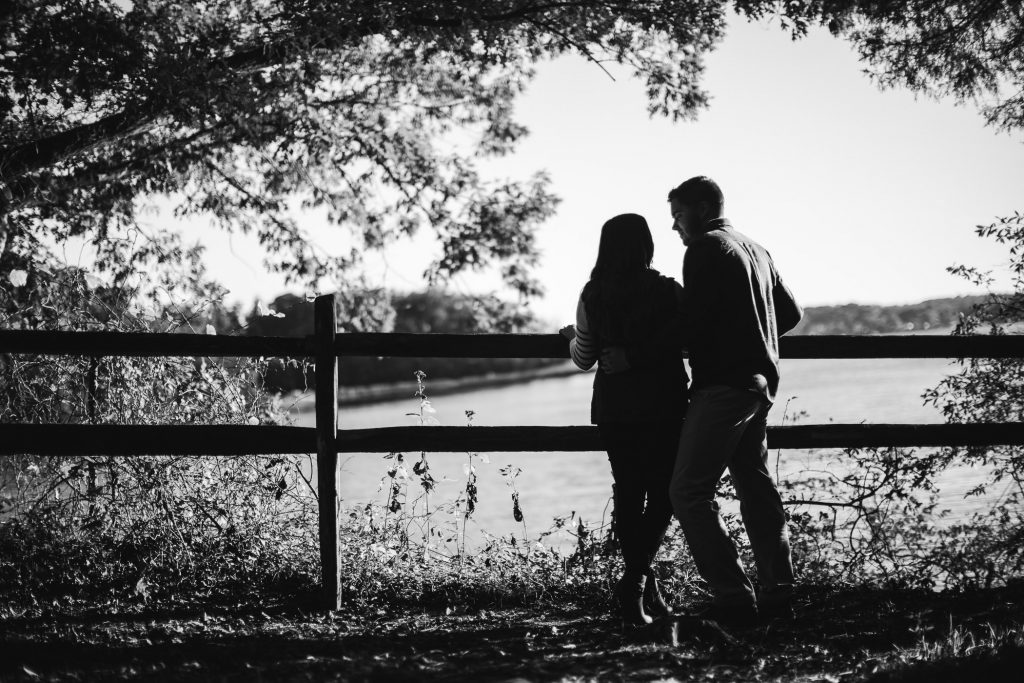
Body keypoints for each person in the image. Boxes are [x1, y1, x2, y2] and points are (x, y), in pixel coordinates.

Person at [664, 175, 802, 625]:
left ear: (702, 209)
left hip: (722, 386)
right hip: (759, 386)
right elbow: (791, 313)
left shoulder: (704, 248)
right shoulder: (755, 248)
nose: (675, 227)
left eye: (679, 216)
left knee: (688, 491)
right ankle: (779, 591)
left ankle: (734, 597)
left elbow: (695, 324)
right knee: (755, 486)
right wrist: (754, 337)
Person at [559, 212, 688, 626]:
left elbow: (583, 359)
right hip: (665, 404)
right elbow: (687, 339)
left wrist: (571, 339)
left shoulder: (593, 293)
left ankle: (635, 586)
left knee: (630, 493)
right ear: (647, 246)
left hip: (616, 407)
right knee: (666, 495)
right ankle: (638, 587)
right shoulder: (669, 291)